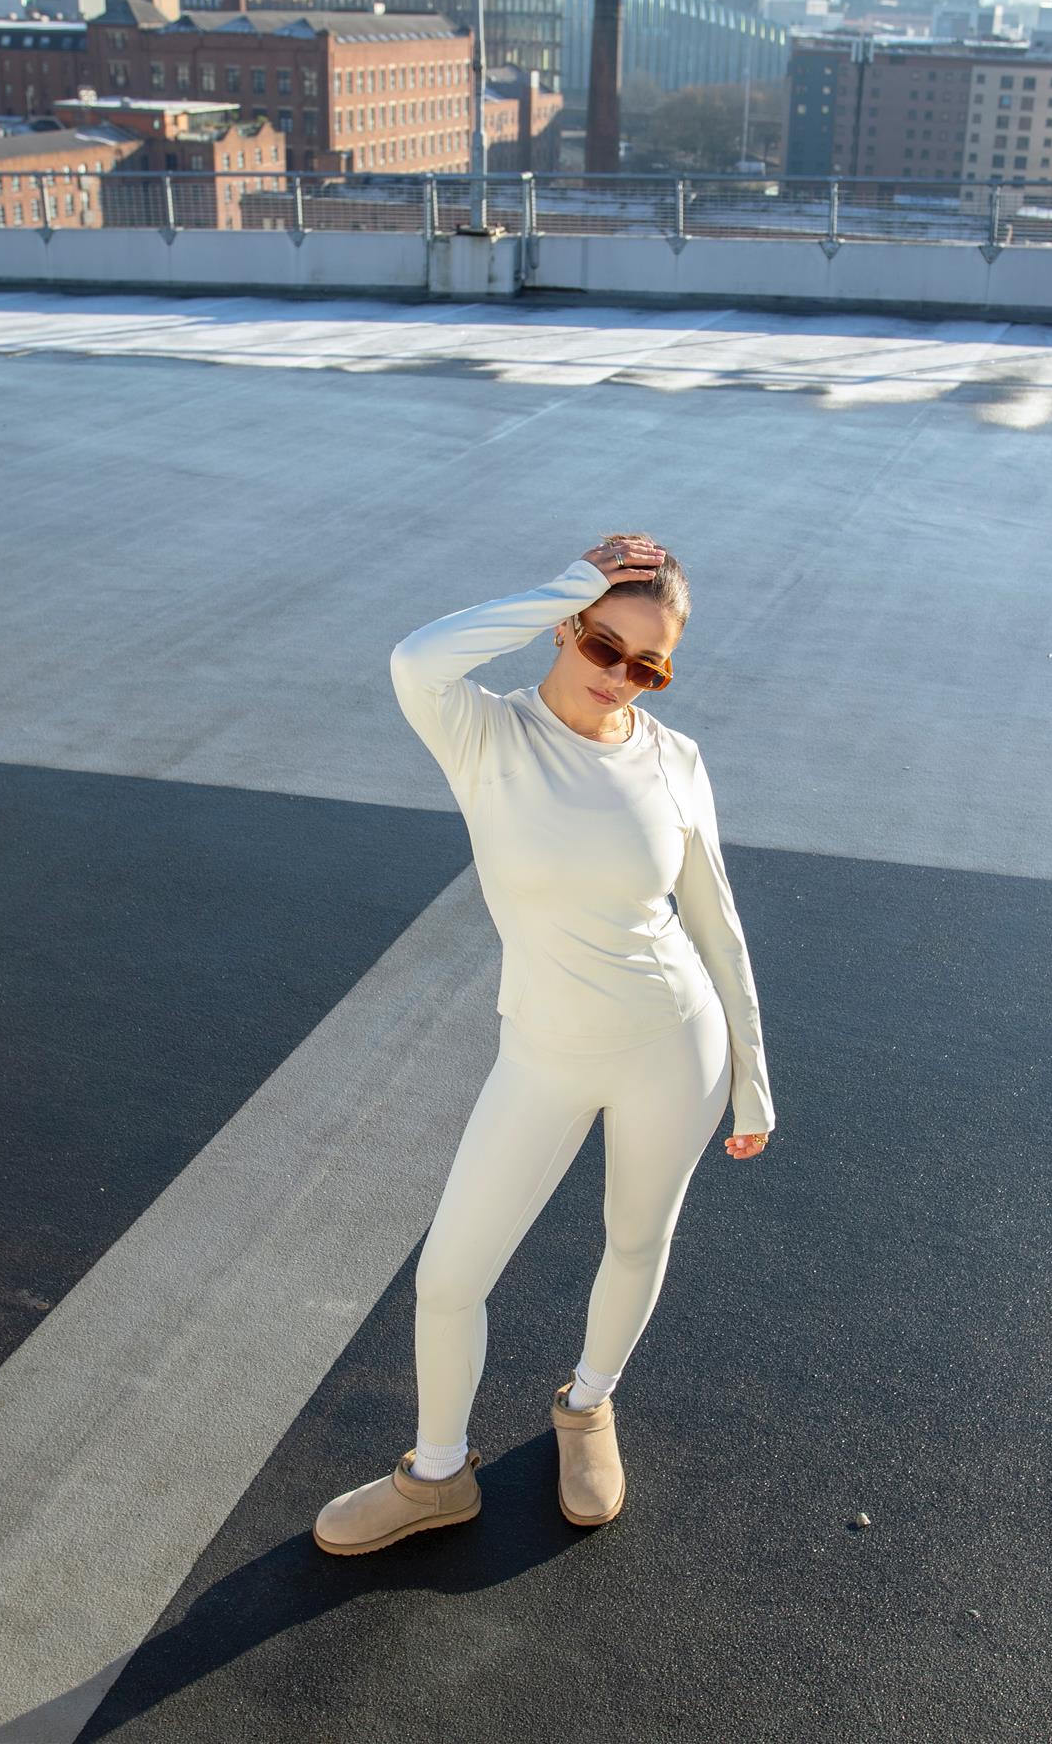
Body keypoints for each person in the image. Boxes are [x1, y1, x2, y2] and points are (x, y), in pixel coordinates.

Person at [313, 533, 776, 1555]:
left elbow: (715, 922)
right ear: (567, 627)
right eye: (604, 644)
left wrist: (753, 1077)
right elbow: (416, 659)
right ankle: (437, 1476)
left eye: (649, 666)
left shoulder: (674, 760)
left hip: (675, 1045)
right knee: (449, 1277)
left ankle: (588, 1406)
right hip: (543, 1052)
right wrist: (572, 580)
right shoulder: (486, 734)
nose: (620, 678)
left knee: (637, 1240)